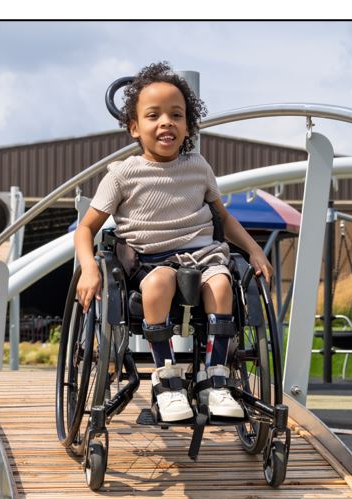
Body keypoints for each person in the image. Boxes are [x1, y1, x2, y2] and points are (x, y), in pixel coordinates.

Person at [74, 62, 273, 422]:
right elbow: (85, 228)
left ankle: (214, 378)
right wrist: (89, 267)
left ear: (187, 126)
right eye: (154, 115)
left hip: (203, 255)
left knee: (222, 283)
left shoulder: (198, 167)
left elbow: (223, 219)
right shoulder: (122, 174)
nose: (166, 122)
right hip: (149, 261)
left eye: (176, 115)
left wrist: (255, 249)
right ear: (135, 127)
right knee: (161, 281)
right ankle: (166, 380)